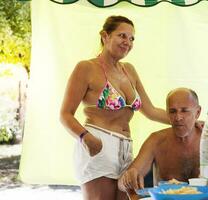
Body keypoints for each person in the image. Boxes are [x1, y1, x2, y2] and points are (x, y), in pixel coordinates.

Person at [60, 15, 170, 200]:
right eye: (122, 36)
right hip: (98, 145)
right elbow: (65, 114)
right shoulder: (86, 68)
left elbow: (150, 110)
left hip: (126, 150)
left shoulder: (129, 70)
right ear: (105, 36)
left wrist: (189, 120)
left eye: (132, 38)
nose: (127, 42)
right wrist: (85, 137)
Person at [118, 88, 208, 192]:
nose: (178, 117)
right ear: (167, 113)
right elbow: (122, 184)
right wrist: (128, 178)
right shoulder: (156, 141)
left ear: (197, 112)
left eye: (184, 110)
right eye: (173, 111)